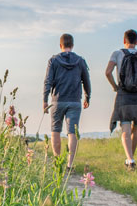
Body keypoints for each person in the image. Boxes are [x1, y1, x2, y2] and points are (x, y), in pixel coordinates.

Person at [105, 29, 137, 171]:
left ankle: (130, 159)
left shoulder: (117, 54)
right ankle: (130, 158)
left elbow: (107, 72)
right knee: (135, 128)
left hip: (124, 95)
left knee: (125, 128)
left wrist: (115, 86)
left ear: (124, 40)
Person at [43, 33, 91, 171]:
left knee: (55, 131)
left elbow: (48, 81)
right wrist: (88, 97)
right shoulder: (80, 61)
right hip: (75, 101)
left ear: (60, 45)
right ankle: (70, 165)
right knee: (72, 132)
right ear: (72, 45)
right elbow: (86, 81)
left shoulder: (53, 61)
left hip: (57, 101)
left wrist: (45, 100)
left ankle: (58, 162)